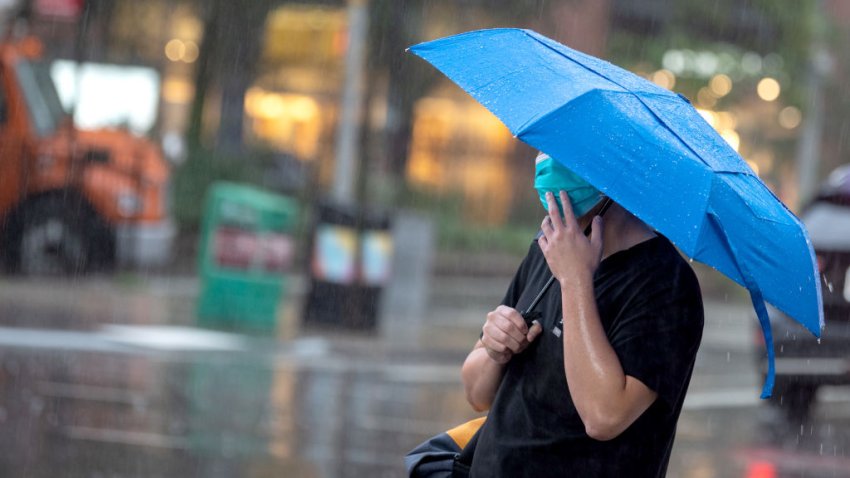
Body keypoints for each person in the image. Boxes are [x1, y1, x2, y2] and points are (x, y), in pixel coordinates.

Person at [462, 153, 704, 477]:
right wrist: (495, 350)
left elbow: (603, 416)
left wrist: (575, 281)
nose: (547, 162)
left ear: (613, 175)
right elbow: (476, 393)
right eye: (544, 148)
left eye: (565, 152)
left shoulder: (666, 284)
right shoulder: (549, 244)